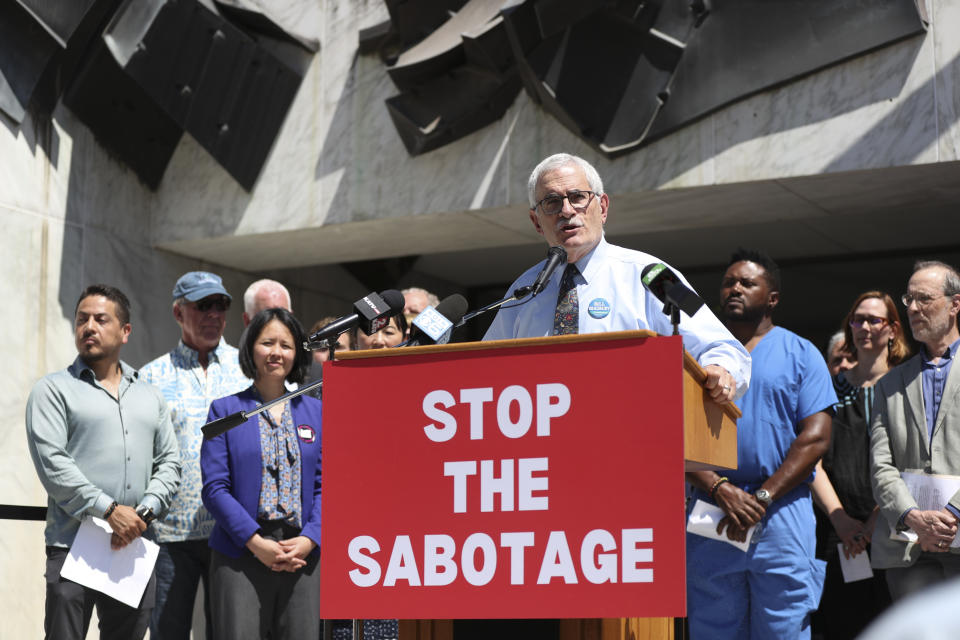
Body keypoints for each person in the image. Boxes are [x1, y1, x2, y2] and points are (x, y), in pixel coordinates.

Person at [483, 153, 750, 402]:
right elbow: (484, 368)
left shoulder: (655, 274)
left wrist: (721, 369)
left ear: (603, 207)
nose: (566, 211)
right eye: (552, 202)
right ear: (537, 222)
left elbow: (724, 346)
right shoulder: (523, 289)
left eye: (577, 197)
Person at [685, 248, 836, 640]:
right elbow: (671, 435)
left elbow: (817, 436)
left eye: (747, 283)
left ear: (772, 298)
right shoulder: (698, 358)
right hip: (712, 508)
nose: (734, 288)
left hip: (780, 511)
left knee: (783, 627)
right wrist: (719, 488)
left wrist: (763, 497)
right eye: (728, 282)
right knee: (713, 626)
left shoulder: (802, 353)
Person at [25, 284, 181, 640]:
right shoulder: (52, 390)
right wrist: (110, 510)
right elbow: (54, 465)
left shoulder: (149, 395)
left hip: (134, 546)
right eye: (82, 319)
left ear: (125, 331)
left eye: (100, 319)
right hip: (72, 547)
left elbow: (170, 462)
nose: (88, 327)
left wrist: (142, 514)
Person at [201, 307, 322, 640]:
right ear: (251, 348)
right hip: (240, 553)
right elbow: (214, 489)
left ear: (297, 353)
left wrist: (310, 540)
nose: (276, 352)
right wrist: (256, 543)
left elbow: (327, 486)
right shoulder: (224, 410)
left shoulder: (316, 411)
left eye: (286, 345)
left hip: (302, 554)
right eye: (267, 342)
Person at [139, 271, 248, 639]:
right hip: (169, 534)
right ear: (177, 312)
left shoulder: (247, 369)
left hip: (234, 529)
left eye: (221, 305)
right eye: (204, 305)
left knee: (229, 632)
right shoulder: (149, 376)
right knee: (168, 632)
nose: (214, 314)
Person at [810, 292, 909, 639]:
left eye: (874, 320)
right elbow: (812, 457)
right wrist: (841, 519)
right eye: (857, 319)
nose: (864, 327)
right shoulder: (830, 387)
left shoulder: (908, 384)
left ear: (893, 329)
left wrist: (872, 521)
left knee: (892, 621)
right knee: (839, 623)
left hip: (895, 528)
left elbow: (911, 461)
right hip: (837, 532)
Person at [870, 260, 960, 600]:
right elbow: (880, 464)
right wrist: (912, 516)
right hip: (908, 549)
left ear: (955, 304)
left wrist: (952, 514)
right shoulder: (889, 383)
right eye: (908, 299)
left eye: (924, 298)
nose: (912, 307)